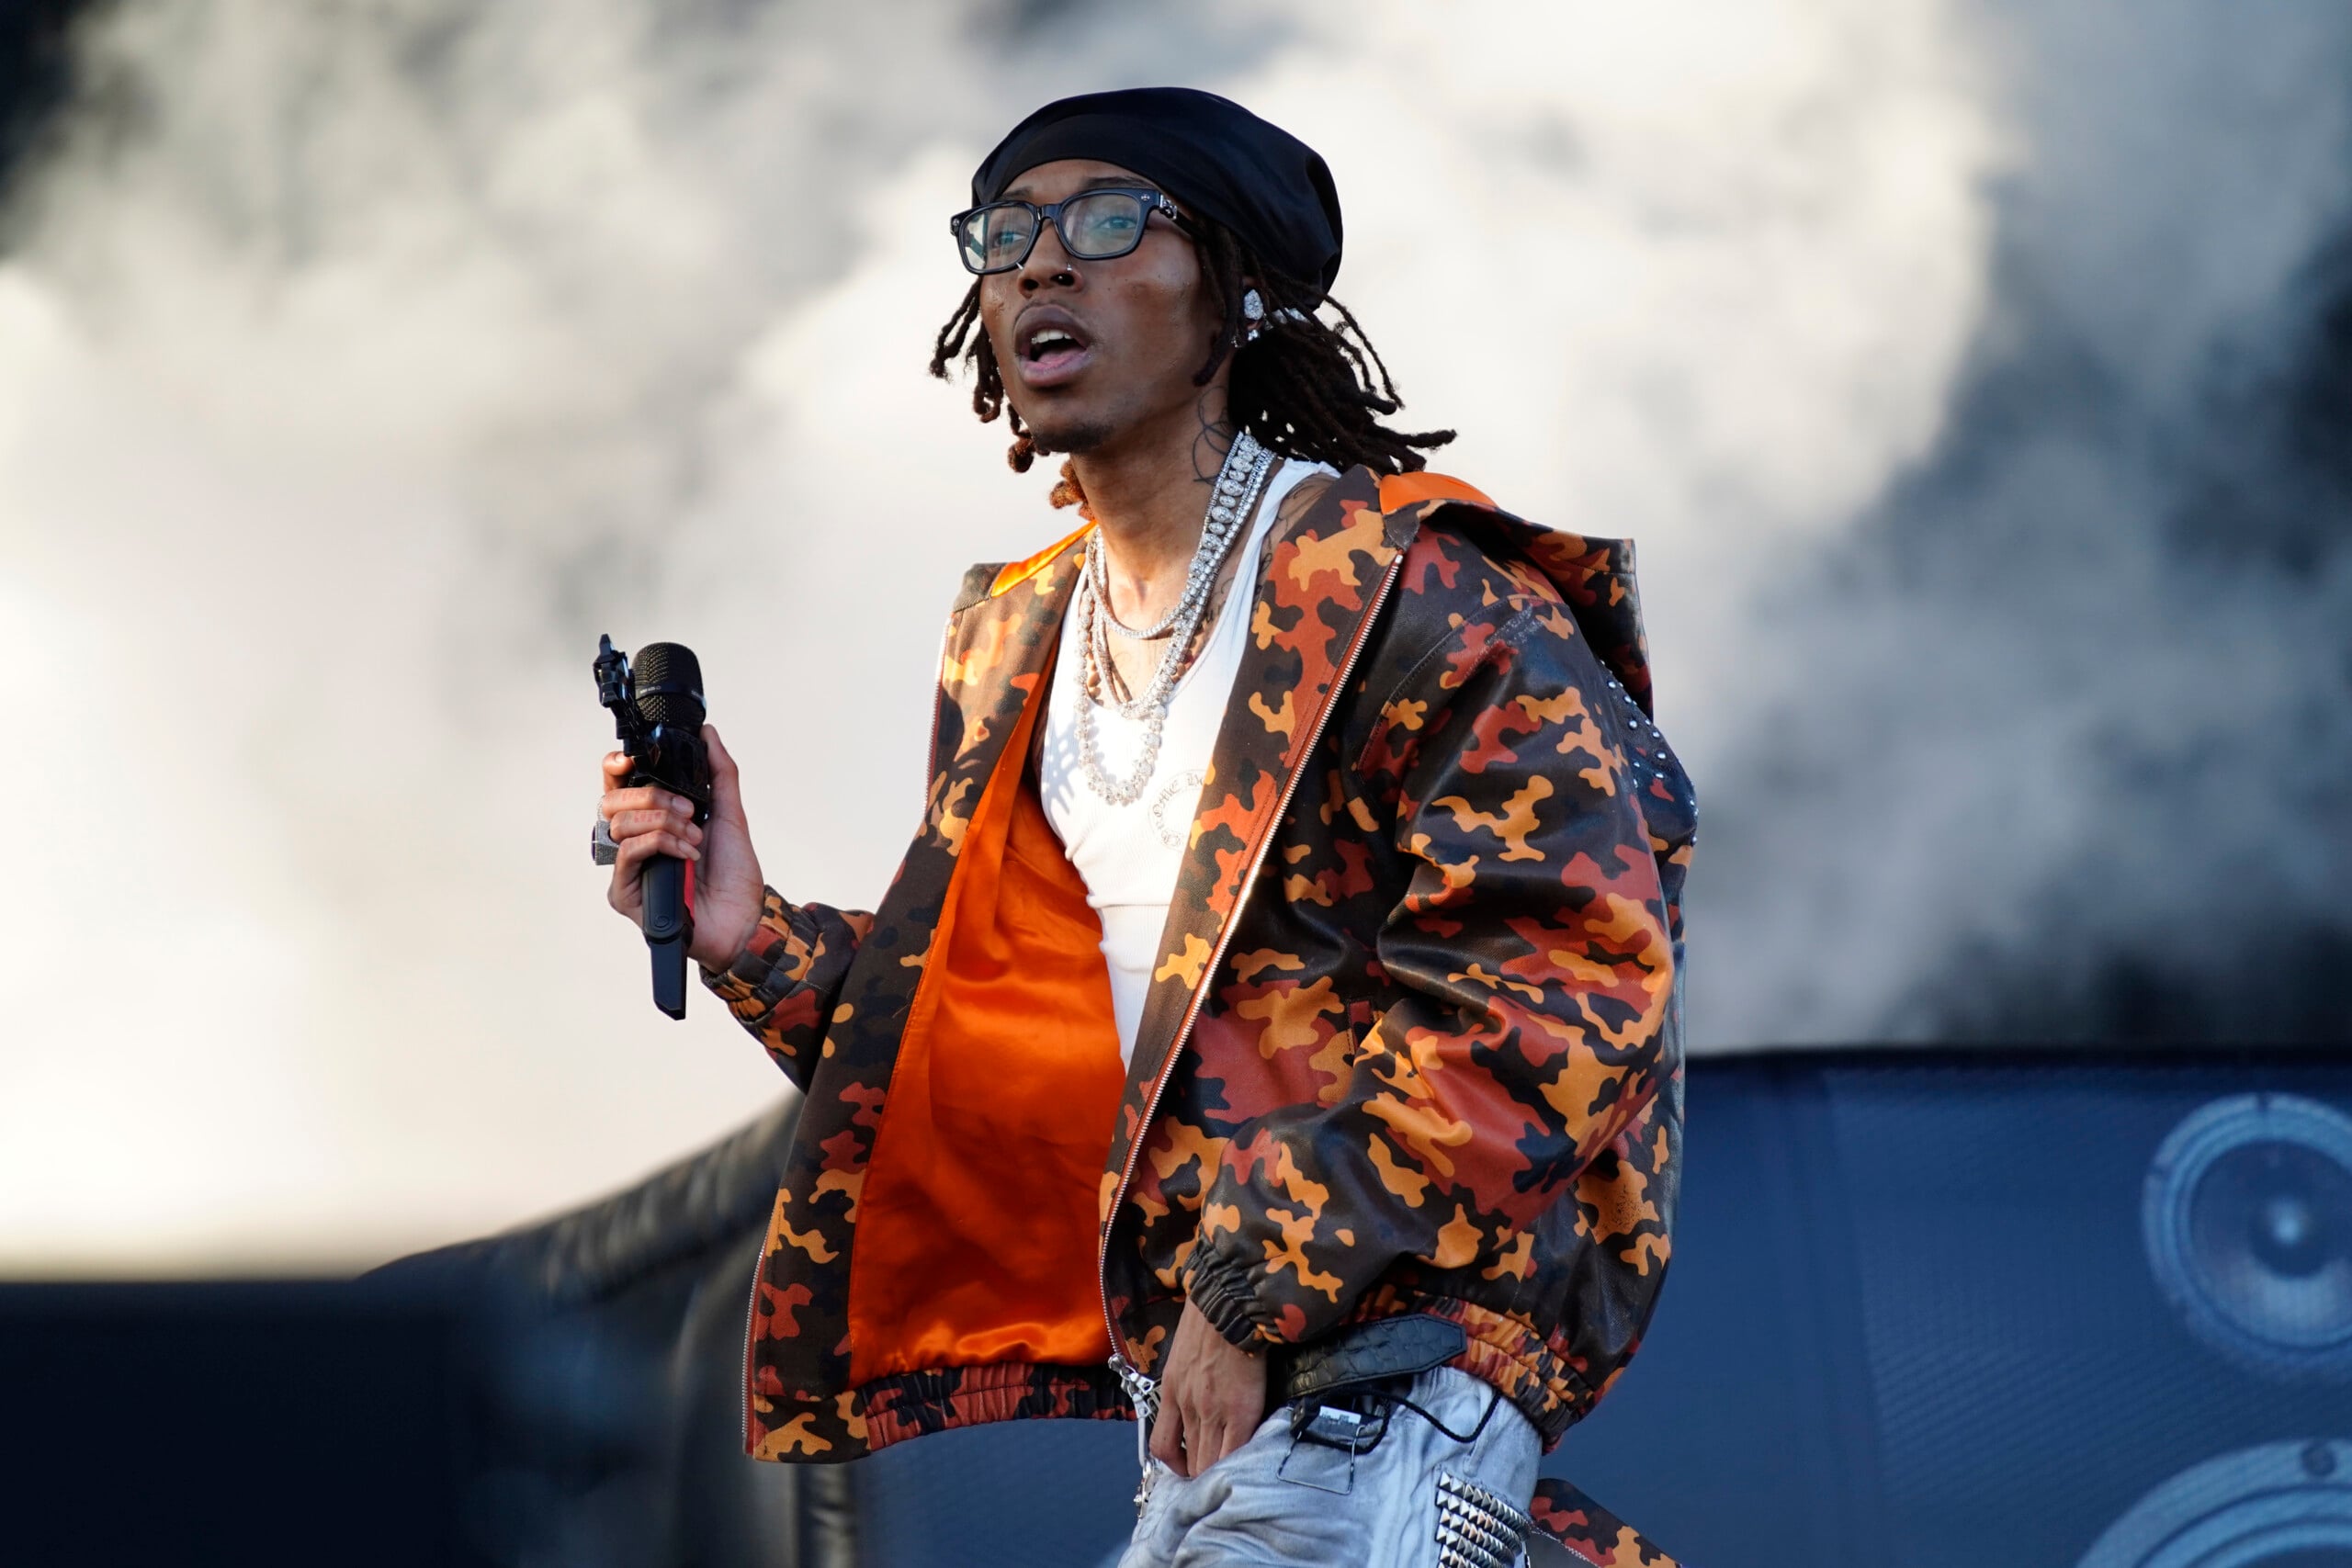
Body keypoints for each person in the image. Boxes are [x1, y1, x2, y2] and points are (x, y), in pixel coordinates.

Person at [596, 86, 1693, 1568]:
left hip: (1385, 1385)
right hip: (1213, 1407)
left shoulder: (1415, 595)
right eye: (1006, 236)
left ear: (1236, 290)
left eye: (1111, 223)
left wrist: (1256, 1287)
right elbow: (1012, 1053)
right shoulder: (1020, 639)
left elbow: (1564, 984)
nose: (1044, 263)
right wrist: (752, 939)